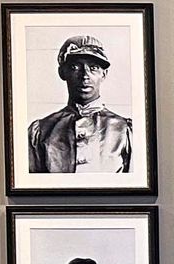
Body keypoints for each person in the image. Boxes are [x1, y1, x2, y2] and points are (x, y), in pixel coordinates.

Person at [28, 35, 133, 173]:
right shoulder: (41, 131)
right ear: (62, 72)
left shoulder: (125, 130)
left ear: (104, 74)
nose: (85, 75)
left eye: (93, 67)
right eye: (75, 67)